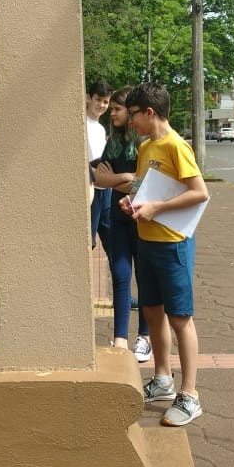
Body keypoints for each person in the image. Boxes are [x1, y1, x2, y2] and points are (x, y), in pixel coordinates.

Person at [120, 82, 209, 427]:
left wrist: (156, 207)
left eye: (133, 115)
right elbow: (143, 187)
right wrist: (132, 201)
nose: (130, 122)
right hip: (147, 242)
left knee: (180, 318)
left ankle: (190, 394)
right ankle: (162, 379)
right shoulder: (146, 147)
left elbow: (199, 192)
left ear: (150, 112)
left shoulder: (175, 145)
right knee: (153, 313)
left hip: (173, 244)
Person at [93, 87, 151, 361]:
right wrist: (125, 178)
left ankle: (145, 337)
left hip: (141, 217)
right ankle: (120, 338)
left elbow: (145, 183)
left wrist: (115, 179)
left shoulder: (144, 143)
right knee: (120, 274)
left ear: (131, 112)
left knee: (144, 276)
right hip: (117, 217)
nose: (111, 113)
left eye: (117, 109)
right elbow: (98, 177)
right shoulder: (113, 142)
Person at [86, 81, 113, 259]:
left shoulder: (101, 128)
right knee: (89, 240)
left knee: (112, 240)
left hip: (107, 190)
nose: (102, 105)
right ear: (89, 98)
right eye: (98, 100)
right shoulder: (81, 124)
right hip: (92, 189)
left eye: (105, 101)